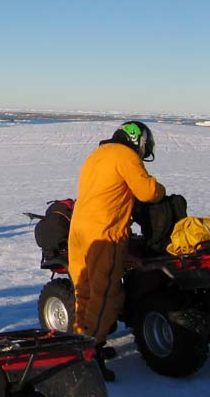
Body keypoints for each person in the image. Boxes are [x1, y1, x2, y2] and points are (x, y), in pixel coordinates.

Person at [67, 121, 165, 382]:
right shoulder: (125, 155)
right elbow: (146, 191)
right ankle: (91, 352)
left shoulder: (97, 154)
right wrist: (160, 190)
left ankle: (79, 340)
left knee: (83, 289)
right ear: (137, 140)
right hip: (104, 234)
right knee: (105, 293)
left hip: (78, 232)